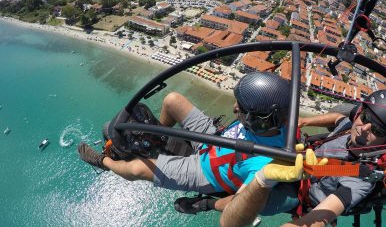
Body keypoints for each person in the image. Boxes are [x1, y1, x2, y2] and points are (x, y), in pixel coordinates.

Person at [220, 90, 386, 227]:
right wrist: (305, 121)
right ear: (358, 113)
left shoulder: (359, 178)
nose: (364, 129)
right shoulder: (348, 129)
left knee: (253, 201)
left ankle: (210, 202)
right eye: (365, 117)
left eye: (377, 131)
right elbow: (338, 118)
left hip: (299, 195)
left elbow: (316, 221)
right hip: (299, 162)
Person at [77, 71, 291, 213]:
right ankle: (158, 136)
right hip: (215, 139)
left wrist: (206, 204)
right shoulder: (281, 123)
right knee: (172, 100)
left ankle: (103, 162)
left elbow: (239, 205)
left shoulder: (263, 167)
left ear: (259, 121)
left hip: (206, 171)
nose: (235, 108)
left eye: (242, 108)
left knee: (137, 169)